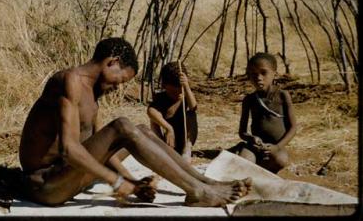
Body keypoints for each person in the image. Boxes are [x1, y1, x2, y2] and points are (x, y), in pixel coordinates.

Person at [19, 37, 251, 207]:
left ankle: (204, 182)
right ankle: (198, 191)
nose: (117, 88)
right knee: (122, 126)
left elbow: (103, 151)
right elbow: (69, 150)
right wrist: (117, 182)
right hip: (45, 184)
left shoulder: (92, 93)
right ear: (113, 62)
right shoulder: (69, 81)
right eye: (119, 80)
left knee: (139, 130)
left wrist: (134, 182)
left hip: (67, 175)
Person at [234, 52, 297, 173]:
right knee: (244, 161)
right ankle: (254, 167)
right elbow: (242, 132)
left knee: (281, 160)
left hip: (275, 146)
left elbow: (293, 128)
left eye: (263, 73)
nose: (258, 77)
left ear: (275, 73)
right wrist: (251, 138)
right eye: (253, 74)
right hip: (254, 147)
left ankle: (259, 169)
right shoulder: (249, 100)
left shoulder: (283, 96)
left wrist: (278, 147)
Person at [147, 62, 198, 162]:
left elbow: (194, 107)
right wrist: (168, 128)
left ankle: (186, 151)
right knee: (154, 120)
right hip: (169, 141)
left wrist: (186, 87)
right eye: (173, 92)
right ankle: (161, 149)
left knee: (191, 115)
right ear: (164, 86)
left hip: (184, 138)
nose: (176, 95)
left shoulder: (185, 96)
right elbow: (150, 111)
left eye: (179, 91)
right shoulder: (161, 97)